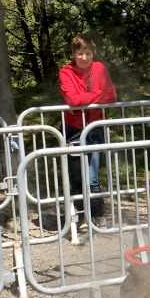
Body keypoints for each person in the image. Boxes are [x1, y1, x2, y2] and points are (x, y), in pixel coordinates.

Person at [58, 34, 116, 222]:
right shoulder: (65, 72)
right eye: (80, 53)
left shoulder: (100, 69)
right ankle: (79, 216)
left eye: (88, 53)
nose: (84, 57)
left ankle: (98, 216)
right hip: (74, 129)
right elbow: (73, 100)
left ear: (93, 53)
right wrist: (97, 94)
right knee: (76, 176)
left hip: (96, 127)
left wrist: (88, 97)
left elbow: (112, 96)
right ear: (73, 54)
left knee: (92, 176)